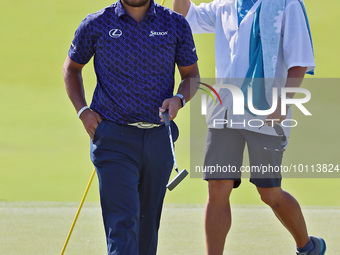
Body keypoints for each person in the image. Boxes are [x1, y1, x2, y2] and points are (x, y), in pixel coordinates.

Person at [173, 0, 326, 254]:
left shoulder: (287, 4)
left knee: (269, 192)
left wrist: (284, 101)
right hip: (224, 113)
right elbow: (184, 17)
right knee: (217, 187)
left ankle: (307, 246)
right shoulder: (224, 4)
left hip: (266, 113)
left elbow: (299, 60)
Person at [62, 0, 199, 253]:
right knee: (123, 225)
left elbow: (191, 76)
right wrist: (83, 112)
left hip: (158, 138)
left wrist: (179, 99)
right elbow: (71, 69)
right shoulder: (96, 23)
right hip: (113, 138)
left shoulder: (174, 23)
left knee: (147, 230)